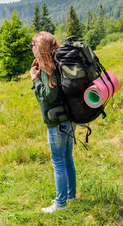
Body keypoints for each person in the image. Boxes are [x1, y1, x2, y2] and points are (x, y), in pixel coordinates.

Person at [30, 31, 77, 213]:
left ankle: (61, 204)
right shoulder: (59, 62)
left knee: (58, 161)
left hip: (56, 121)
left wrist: (35, 78)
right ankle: (70, 195)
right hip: (68, 117)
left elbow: (49, 96)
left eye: (33, 45)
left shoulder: (47, 67)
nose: (32, 49)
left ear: (40, 48)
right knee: (67, 158)